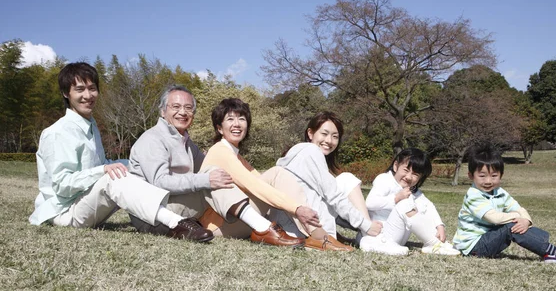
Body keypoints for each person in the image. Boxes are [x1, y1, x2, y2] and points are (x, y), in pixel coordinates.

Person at [29, 62, 212, 243]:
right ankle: (176, 222)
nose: (88, 95)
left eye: (92, 88)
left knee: (125, 166)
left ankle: (164, 213)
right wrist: (103, 170)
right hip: (65, 212)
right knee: (113, 176)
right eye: (80, 89)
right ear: (65, 93)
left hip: (88, 205)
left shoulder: (90, 126)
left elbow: (101, 165)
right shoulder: (57, 133)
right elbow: (61, 185)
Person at [199, 98, 350, 251]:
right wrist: (296, 208)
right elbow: (255, 186)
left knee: (281, 176)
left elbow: (261, 182)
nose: (237, 124)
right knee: (277, 174)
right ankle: (319, 235)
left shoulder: (237, 156)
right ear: (219, 128)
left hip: (237, 221)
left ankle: (321, 233)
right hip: (220, 224)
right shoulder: (220, 151)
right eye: (230, 119)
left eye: (242, 119)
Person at [129, 85, 255, 239]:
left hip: (175, 203)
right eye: (176, 106)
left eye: (188, 108)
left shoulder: (187, 143)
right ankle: (263, 226)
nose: (183, 112)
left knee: (215, 175)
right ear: (163, 111)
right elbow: (159, 182)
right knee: (210, 180)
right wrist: (206, 180)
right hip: (152, 214)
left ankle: (260, 223)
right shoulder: (152, 139)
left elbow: (208, 167)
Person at [453, 143, 556, 264]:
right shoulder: (473, 195)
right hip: (473, 248)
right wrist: (517, 217)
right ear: (471, 176)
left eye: (494, 176)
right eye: (482, 176)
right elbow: (494, 218)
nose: (488, 181)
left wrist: (526, 220)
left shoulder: (500, 192)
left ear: (501, 175)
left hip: (487, 239)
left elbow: (519, 208)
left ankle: (552, 251)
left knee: (515, 223)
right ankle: (552, 253)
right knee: (510, 225)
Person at [276, 111, 382, 247]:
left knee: (344, 182)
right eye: (324, 134)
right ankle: (370, 235)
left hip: (290, 224)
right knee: (346, 180)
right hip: (306, 227)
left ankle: (370, 230)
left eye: (335, 136)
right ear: (310, 133)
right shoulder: (310, 151)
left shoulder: (299, 153)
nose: (329, 141)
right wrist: (366, 225)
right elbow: (334, 197)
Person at [360, 148, 460, 256]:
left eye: (415, 174)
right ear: (395, 166)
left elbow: (429, 206)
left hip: (398, 237)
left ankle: (434, 244)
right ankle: (432, 244)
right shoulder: (384, 180)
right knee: (404, 204)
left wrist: (439, 225)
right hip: (379, 234)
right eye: (406, 170)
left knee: (414, 206)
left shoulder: (413, 192)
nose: (408, 177)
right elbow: (370, 203)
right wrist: (396, 198)